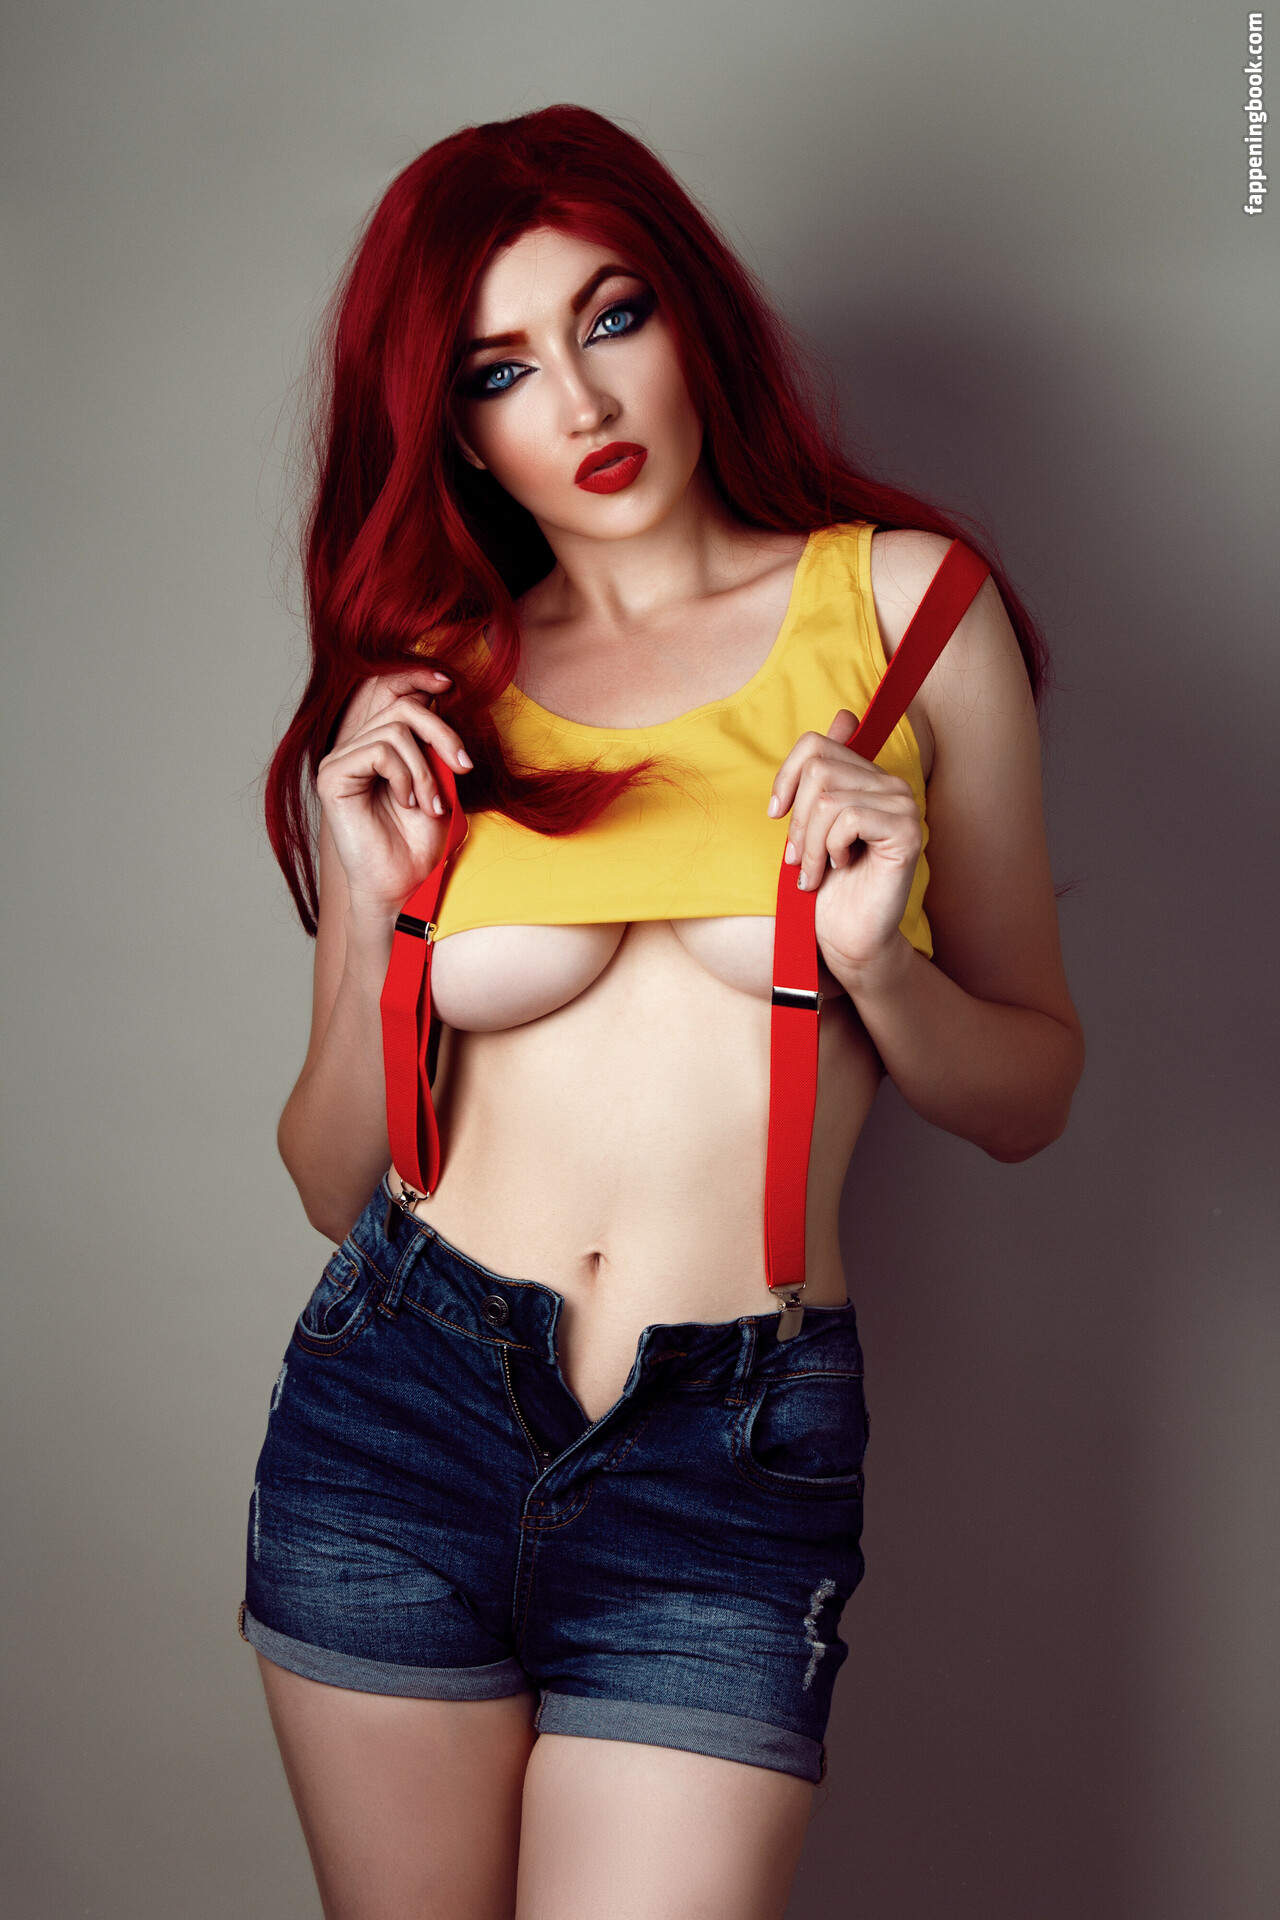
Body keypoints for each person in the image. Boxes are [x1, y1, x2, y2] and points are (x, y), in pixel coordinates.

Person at [239, 104, 1084, 1920]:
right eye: (501, 370)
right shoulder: (434, 680)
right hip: (397, 1406)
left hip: (728, 1445)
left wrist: (882, 967)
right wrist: (370, 902)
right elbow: (328, 1178)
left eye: (610, 317)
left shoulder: (907, 617)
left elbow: (1028, 1092)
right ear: (452, 425)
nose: (580, 403)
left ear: (693, 315)